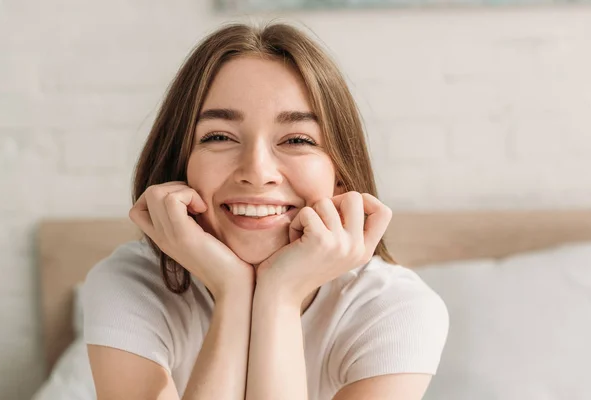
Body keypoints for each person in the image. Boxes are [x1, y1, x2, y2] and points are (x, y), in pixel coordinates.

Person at [83, 21, 449, 400]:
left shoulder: (394, 310)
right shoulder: (132, 284)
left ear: (340, 177)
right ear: (181, 165)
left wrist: (280, 295)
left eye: (297, 139)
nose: (257, 172)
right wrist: (233, 291)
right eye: (220, 137)